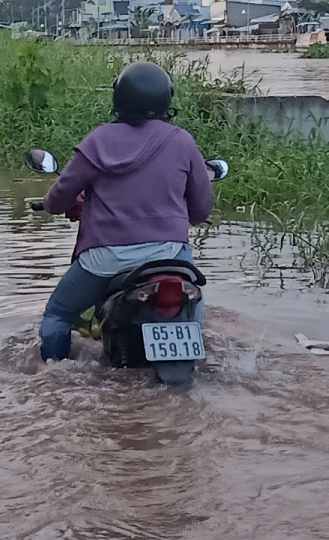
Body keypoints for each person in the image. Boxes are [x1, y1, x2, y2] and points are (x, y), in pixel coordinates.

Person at [38, 61, 214, 362]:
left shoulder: (97, 141)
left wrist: (54, 205)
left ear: (118, 98)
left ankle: (50, 379)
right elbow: (200, 211)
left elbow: (57, 199)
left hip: (103, 260)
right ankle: (190, 355)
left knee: (58, 314)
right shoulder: (182, 141)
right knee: (192, 310)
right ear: (165, 99)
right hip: (170, 256)